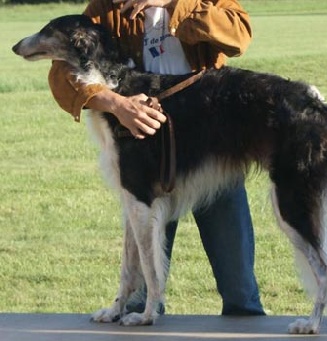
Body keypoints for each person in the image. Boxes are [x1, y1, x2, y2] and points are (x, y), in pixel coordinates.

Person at [48, 0, 265, 316]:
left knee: (240, 292)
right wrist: (116, 104)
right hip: (143, 146)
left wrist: (173, 3)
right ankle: (141, 310)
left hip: (213, 144)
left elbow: (239, 36)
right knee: (136, 301)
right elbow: (63, 69)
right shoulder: (106, 7)